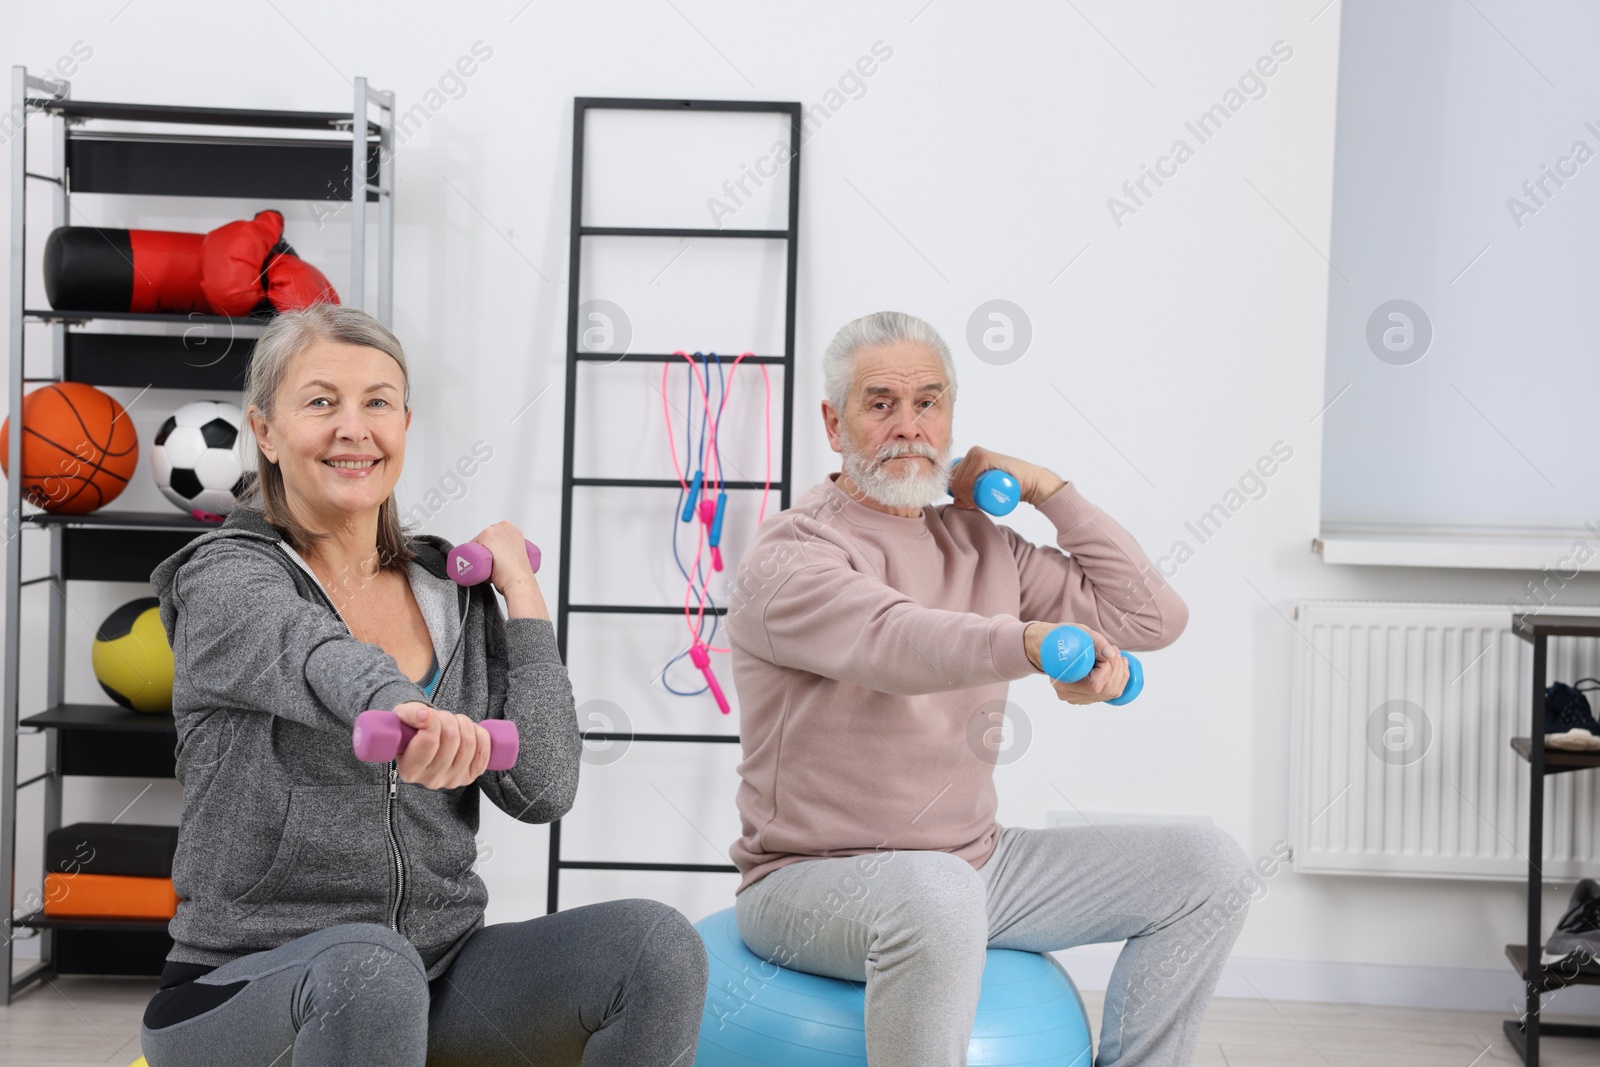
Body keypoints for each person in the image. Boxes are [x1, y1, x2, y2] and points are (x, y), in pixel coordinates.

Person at [140, 304, 707, 1066]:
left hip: (438, 975)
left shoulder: (450, 591)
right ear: (266, 432)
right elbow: (311, 653)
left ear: (404, 423)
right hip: (246, 985)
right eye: (320, 402)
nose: (354, 427)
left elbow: (543, 788)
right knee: (372, 970)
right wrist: (396, 705)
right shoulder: (226, 579)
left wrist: (522, 596)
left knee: (655, 947)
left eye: (377, 402)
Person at [724, 311, 1252, 1066]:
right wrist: (1033, 644)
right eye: (881, 404)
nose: (909, 426)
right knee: (939, 892)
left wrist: (1048, 489)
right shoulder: (793, 554)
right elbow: (898, 641)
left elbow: (1150, 617)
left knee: (1210, 867)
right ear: (833, 422)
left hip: (978, 866)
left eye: (928, 402)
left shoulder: (981, 541)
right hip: (812, 883)